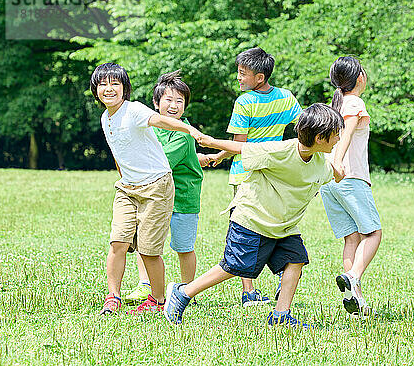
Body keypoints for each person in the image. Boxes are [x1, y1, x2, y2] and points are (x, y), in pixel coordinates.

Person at [163, 104, 345, 327]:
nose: (338, 138)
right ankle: (183, 293)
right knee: (233, 266)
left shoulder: (319, 162)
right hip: (252, 220)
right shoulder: (279, 151)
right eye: (336, 134)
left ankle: (280, 315)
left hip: (283, 226)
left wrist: (337, 171)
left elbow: (334, 174)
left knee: (296, 260)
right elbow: (242, 148)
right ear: (319, 138)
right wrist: (208, 141)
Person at [91, 63, 202, 315]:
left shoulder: (134, 110)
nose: (109, 89)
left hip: (156, 187)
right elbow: (118, 153)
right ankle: (113, 297)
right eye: (103, 84)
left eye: (115, 84)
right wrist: (125, 179)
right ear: (96, 89)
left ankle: (159, 300)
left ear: (124, 88)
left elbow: (161, 120)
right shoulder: (105, 117)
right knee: (118, 242)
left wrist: (190, 130)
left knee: (149, 250)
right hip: (127, 188)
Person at [208, 47, 302, 306]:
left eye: (242, 74)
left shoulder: (245, 102)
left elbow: (240, 143)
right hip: (274, 173)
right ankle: (283, 275)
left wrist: (220, 154)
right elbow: (303, 126)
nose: (238, 78)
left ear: (259, 77)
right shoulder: (286, 97)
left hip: (245, 173)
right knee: (275, 223)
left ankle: (248, 290)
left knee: (243, 228)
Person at [124, 70, 210, 306]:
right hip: (155, 195)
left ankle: (187, 290)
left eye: (179, 101)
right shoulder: (150, 126)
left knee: (183, 246)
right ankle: (145, 285)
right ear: (156, 103)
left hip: (182, 196)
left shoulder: (183, 135)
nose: (174, 106)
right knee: (146, 241)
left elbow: (161, 163)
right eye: (168, 100)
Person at [319, 56, 382, 318]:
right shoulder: (354, 102)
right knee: (374, 233)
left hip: (329, 183)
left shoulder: (334, 104)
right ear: (359, 78)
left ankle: (355, 299)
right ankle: (353, 276)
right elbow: (346, 135)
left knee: (352, 238)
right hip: (349, 177)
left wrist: (330, 166)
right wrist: (337, 162)